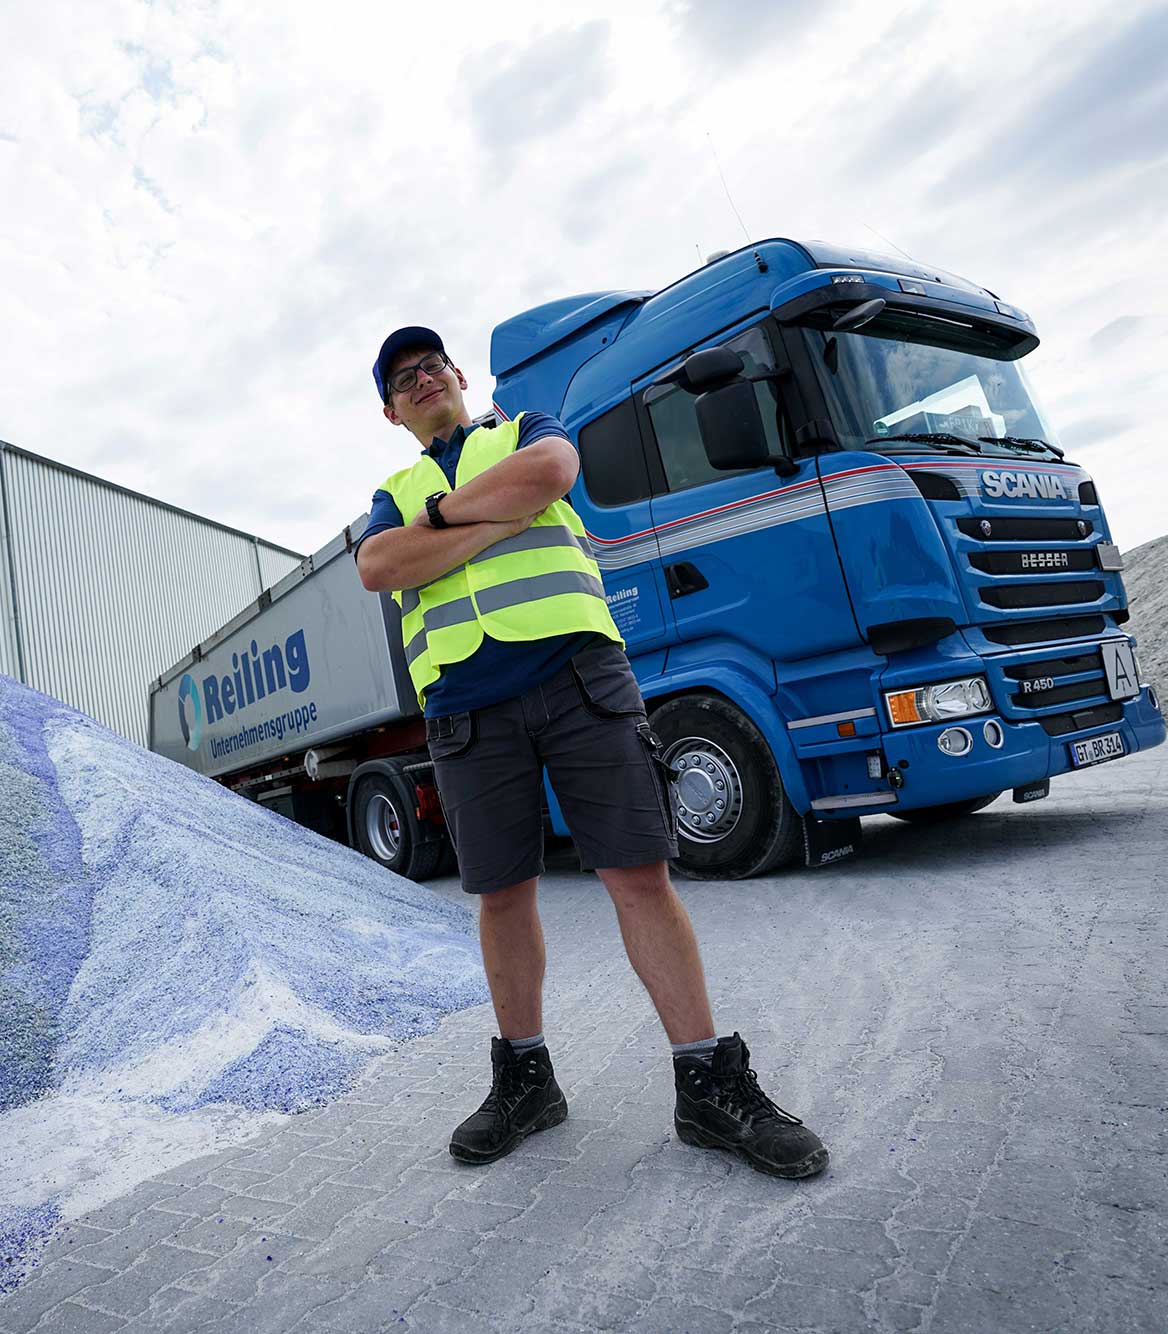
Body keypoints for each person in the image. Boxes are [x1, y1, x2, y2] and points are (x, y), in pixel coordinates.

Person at [353, 326, 828, 1180]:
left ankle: (707, 1084)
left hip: (578, 677)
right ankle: (527, 1081)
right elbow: (381, 565)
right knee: (501, 896)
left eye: (431, 365)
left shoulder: (522, 428)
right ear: (391, 412)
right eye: (402, 379)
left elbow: (550, 474)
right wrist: (493, 521)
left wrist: (445, 529)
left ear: (459, 375)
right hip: (465, 704)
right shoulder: (394, 493)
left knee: (638, 873)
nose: (422, 379)